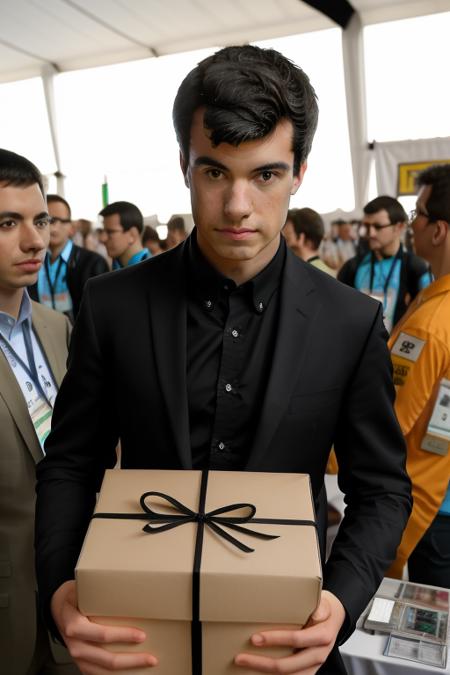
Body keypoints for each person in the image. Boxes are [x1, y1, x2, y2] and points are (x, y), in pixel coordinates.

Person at [35, 45, 411, 675]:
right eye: (215, 173)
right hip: (135, 637)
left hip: (286, 639)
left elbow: (381, 490)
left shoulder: (349, 322)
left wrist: (340, 604)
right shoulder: (114, 306)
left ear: (299, 174)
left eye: (264, 175)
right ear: (185, 166)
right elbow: (72, 462)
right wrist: (59, 589)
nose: (238, 206)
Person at [0, 149, 78, 675]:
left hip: (74, 592)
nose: (35, 241)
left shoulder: (57, 327)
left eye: (41, 220)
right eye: (8, 223)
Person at [386, 164, 450, 586]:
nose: (412, 226)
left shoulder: (430, 325)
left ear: (439, 231)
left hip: (431, 510)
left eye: (418, 214)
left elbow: (386, 423)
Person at [338, 196, 431, 332]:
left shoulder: (416, 269)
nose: (370, 233)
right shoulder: (352, 267)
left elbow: (427, 316)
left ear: (399, 227)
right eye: (367, 226)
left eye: (377, 226)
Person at [29, 195, 109, 322]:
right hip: (41, 335)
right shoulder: (29, 261)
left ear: (71, 227)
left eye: (54, 220)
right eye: (42, 221)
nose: (51, 227)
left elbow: (100, 314)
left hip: (77, 336)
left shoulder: (92, 263)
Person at [283, 207, 335, 275]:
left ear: (302, 237)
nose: (283, 236)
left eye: (288, 233)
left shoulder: (302, 273)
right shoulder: (325, 271)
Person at [99, 200, 151, 268]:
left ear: (132, 234)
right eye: (102, 231)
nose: (102, 238)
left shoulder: (158, 271)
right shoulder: (107, 267)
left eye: (110, 232)